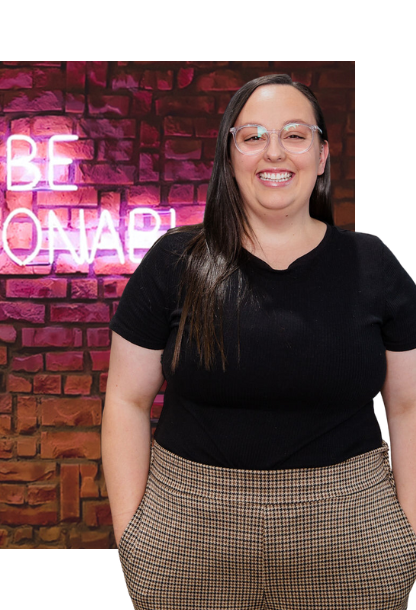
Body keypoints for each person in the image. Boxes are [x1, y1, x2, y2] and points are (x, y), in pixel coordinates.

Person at [102, 73, 416, 609]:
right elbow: (126, 400)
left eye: (295, 134)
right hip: (186, 540)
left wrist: (408, 535)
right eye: (253, 136)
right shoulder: (174, 262)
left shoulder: (373, 265)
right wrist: (137, 539)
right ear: (229, 156)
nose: (275, 152)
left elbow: (410, 406)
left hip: (352, 542)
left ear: (321, 155)